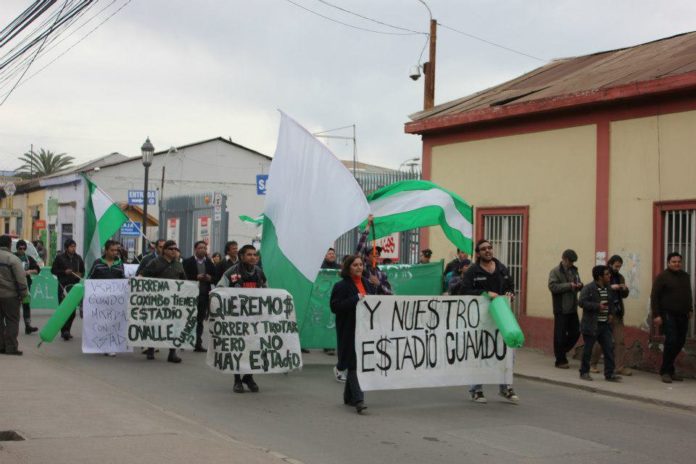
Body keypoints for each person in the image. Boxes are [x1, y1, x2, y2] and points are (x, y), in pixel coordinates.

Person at [453, 239, 518, 404]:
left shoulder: (502, 268)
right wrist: (485, 293)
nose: (488, 251)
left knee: (507, 351)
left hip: (502, 318)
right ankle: (476, 389)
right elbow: (464, 291)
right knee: (480, 352)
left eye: (490, 248)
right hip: (480, 319)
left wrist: (510, 293)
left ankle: (505, 388)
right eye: (483, 249)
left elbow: (511, 286)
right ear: (478, 253)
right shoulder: (472, 271)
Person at [330, 254, 381, 414]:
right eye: (355, 265)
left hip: (365, 329)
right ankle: (359, 399)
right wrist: (355, 298)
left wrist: (377, 287)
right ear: (348, 268)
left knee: (357, 361)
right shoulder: (341, 286)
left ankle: (349, 396)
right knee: (354, 363)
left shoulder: (368, 283)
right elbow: (335, 307)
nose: (359, 267)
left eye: (361, 264)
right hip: (349, 329)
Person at [218, 244, 266, 393]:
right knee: (238, 348)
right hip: (237, 319)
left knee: (256, 347)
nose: (253, 257)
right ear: (242, 256)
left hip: (254, 318)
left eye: (254, 255)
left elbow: (266, 291)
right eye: (249, 255)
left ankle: (249, 376)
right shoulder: (231, 272)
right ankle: (237, 379)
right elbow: (219, 290)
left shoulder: (259, 272)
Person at [651, 252, 694, 383]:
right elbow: (654, 296)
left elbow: (688, 293)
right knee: (671, 340)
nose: (677, 264)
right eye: (674, 262)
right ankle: (665, 371)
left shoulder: (685, 276)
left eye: (678, 262)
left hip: (683, 314)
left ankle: (669, 369)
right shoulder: (662, 277)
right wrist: (657, 315)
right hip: (668, 314)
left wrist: (690, 308)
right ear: (668, 263)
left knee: (680, 341)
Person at [141, 240, 185, 363]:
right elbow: (143, 276)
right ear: (165, 250)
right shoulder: (155, 262)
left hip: (173, 301)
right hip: (157, 300)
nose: (174, 251)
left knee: (173, 326)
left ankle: (172, 353)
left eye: (175, 249)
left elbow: (184, 281)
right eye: (171, 249)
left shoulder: (179, 265)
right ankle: (150, 349)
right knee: (155, 324)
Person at [578, 265, 622, 382]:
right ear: (599, 277)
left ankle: (609, 374)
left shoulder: (608, 288)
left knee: (609, 348)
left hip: (605, 325)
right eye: (607, 274)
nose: (609, 276)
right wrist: (597, 306)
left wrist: (611, 314)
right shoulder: (588, 288)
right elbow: (581, 302)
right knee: (588, 349)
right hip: (592, 324)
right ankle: (584, 372)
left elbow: (611, 303)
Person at [591, 255, 630, 375]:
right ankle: (592, 364)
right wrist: (611, 287)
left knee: (620, 341)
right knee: (601, 341)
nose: (618, 268)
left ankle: (619, 367)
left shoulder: (620, 277)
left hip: (617, 312)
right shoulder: (603, 275)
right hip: (605, 312)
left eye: (620, 266)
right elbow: (596, 289)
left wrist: (624, 289)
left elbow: (624, 295)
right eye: (616, 266)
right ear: (610, 264)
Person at [88, 240, 125, 357]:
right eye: (112, 250)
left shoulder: (119, 263)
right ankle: (100, 344)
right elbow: (90, 279)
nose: (115, 252)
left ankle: (110, 346)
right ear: (106, 250)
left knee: (112, 323)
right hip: (99, 301)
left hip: (114, 301)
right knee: (101, 324)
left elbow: (122, 280)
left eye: (116, 250)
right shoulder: (98, 263)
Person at [548, 249, 583, 369]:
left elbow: (578, 282)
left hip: (573, 307)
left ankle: (561, 350)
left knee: (576, 331)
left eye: (573, 262)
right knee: (560, 335)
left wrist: (579, 285)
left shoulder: (574, 270)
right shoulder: (555, 271)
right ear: (564, 259)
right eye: (570, 261)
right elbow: (553, 287)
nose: (571, 263)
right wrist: (569, 285)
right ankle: (560, 360)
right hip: (561, 308)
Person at [183, 241, 216, 352]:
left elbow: (216, 276)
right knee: (187, 319)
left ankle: (198, 343)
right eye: (200, 247)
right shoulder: (188, 262)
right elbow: (183, 276)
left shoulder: (209, 263)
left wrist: (209, 278)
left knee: (200, 320)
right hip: (190, 295)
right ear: (195, 249)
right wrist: (196, 277)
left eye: (204, 248)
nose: (203, 250)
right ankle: (184, 341)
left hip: (203, 295)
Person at [51, 239, 85, 341]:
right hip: (63, 287)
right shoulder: (60, 258)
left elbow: (83, 271)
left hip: (74, 287)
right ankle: (64, 331)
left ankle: (67, 330)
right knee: (64, 310)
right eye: (71, 247)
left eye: (74, 246)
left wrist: (80, 274)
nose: (73, 248)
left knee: (73, 311)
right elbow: (53, 270)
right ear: (66, 248)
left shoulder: (78, 258)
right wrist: (64, 272)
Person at [0, 235, 29, 355]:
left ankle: (1, 346)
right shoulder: (12, 259)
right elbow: (21, 280)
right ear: (10, 244)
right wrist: (23, 295)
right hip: (10, 296)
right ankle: (11, 347)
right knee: (12, 320)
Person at [355, 215, 392, 295]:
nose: (377, 255)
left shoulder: (382, 273)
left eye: (378, 254)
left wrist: (378, 284)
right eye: (373, 254)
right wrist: (368, 225)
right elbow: (360, 246)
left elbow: (389, 293)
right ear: (367, 256)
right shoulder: (362, 269)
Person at [14, 240, 40, 334]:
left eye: (24, 248)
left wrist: (30, 271)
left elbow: (37, 270)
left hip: (26, 285)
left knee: (26, 305)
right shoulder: (13, 257)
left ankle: (28, 326)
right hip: (14, 286)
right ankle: (12, 327)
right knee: (13, 306)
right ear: (17, 248)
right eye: (20, 248)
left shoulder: (29, 258)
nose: (22, 250)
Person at [320, 248, 340, 357]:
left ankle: (332, 344)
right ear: (325, 256)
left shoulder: (339, 268)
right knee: (326, 320)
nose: (332, 255)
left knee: (333, 321)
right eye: (330, 253)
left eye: (333, 253)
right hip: (323, 299)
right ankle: (326, 345)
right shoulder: (321, 268)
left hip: (335, 298)